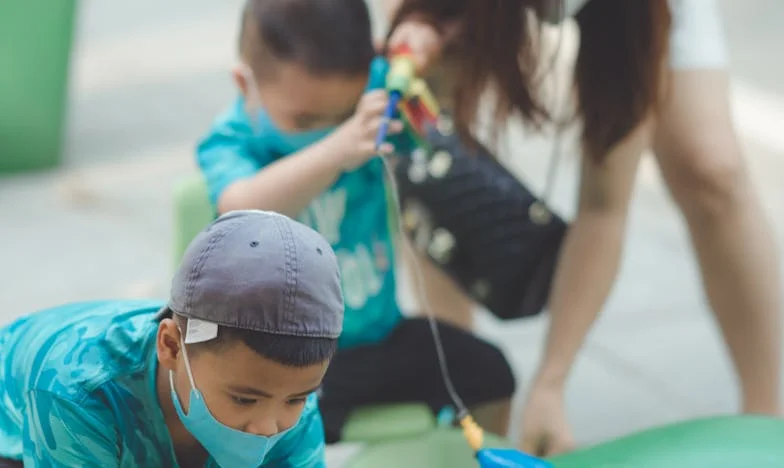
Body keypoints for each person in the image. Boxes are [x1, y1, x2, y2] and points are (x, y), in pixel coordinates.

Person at [381, 0, 782, 456]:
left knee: (709, 167)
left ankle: (766, 420)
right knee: (427, 137)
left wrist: (552, 381)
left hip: (637, 15)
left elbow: (604, 206)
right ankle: (461, 395)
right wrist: (419, 27)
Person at [195, 0, 516, 443]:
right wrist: (338, 148)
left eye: (343, 114)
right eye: (306, 119)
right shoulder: (234, 141)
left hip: (379, 336)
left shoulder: (374, 91)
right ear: (244, 84)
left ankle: (480, 455)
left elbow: (438, 96)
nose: (328, 128)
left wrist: (417, 60)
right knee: (274, 430)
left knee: (490, 373)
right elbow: (239, 209)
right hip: (285, 359)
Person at [0, 210, 343, 467]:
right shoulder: (75, 391)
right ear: (171, 346)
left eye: (296, 399)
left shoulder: (282, 391)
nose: (269, 427)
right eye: (243, 400)